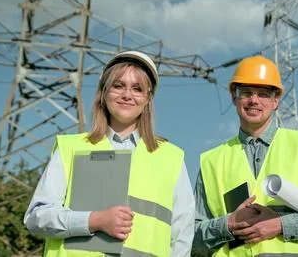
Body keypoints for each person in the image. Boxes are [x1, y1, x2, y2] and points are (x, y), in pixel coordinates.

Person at [24, 51, 195, 257]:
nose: (127, 95)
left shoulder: (171, 157)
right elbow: (36, 218)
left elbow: (182, 236)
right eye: (118, 85)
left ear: (148, 98)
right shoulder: (70, 148)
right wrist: (94, 220)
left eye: (137, 89)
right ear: (104, 93)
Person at [193, 55, 298, 256]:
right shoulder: (211, 161)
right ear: (234, 97)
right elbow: (190, 237)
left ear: (276, 100)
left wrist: (280, 225)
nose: (254, 100)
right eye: (246, 93)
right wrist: (228, 224)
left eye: (263, 94)